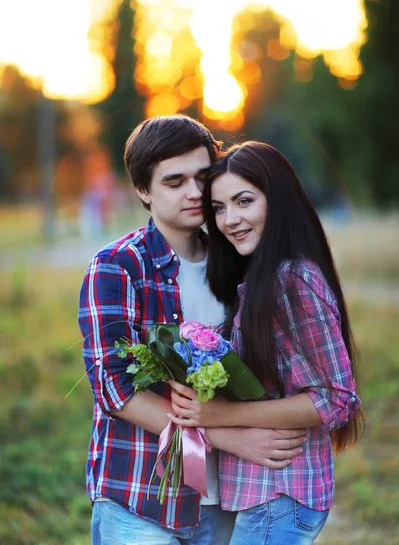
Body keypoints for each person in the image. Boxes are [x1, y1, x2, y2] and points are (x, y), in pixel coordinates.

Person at [78, 119, 307, 545]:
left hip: (227, 499)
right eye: (174, 181)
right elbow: (114, 389)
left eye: (203, 177)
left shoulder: (241, 260)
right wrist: (230, 438)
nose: (193, 192)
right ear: (143, 190)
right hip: (141, 496)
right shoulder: (117, 267)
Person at [169, 141, 364, 545]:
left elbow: (336, 398)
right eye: (219, 208)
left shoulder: (293, 279)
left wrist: (216, 416)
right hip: (268, 497)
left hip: (281, 495)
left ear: (277, 200)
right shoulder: (260, 279)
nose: (230, 220)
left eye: (244, 201)